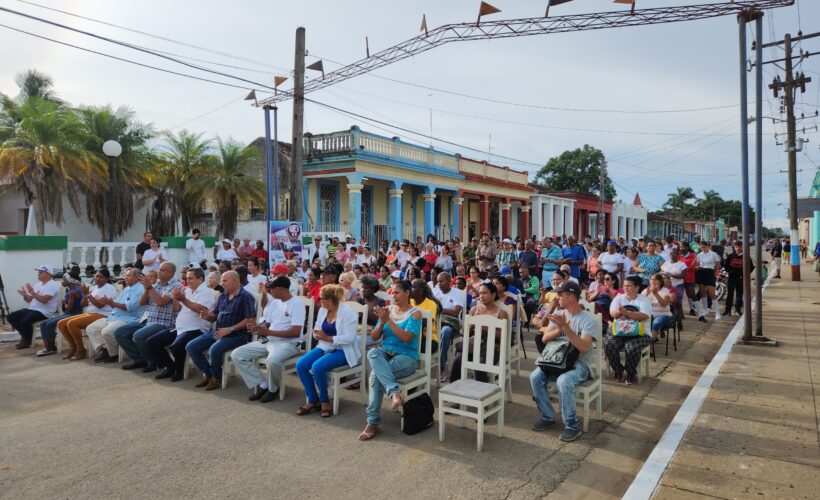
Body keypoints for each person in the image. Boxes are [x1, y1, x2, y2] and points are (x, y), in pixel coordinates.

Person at [530, 280, 595, 442]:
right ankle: (548, 416)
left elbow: (584, 347)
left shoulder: (588, 320)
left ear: (572, 297)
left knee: (564, 380)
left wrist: (566, 328)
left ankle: (572, 425)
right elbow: (544, 338)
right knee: (535, 376)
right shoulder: (559, 315)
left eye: (561, 294)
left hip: (580, 364)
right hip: (557, 360)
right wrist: (559, 328)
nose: (557, 297)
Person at [358, 280, 423, 441]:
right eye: (392, 292)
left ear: (407, 292)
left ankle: (372, 422)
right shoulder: (388, 310)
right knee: (372, 352)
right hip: (385, 352)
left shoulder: (415, 313)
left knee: (375, 376)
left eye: (397, 292)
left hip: (407, 357)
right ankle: (394, 392)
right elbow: (374, 337)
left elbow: (407, 338)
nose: (393, 296)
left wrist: (388, 321)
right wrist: (381, 321)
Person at [231, 276, 306, 402]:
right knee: (237, 354)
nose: (270, 291)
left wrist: (268, 331)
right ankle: (262, 384)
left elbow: (295, 332)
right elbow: (267, 324)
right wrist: (257, 328)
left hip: (288, 343)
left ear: (282, 289)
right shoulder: (275, 303)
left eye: (272, 289)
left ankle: (273, 389)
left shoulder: (297, 304)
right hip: (269, 340)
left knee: (272, 361)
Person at [295, 284, 360, 418]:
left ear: (329, 300)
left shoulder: (347, 312)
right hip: (325, 345)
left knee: (317, 367)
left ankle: (324, 400)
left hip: (343, 349)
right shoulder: (323, 310)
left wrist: (329, 338)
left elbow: (350, 337)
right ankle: (312, 399)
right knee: (300, 365)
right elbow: (318, 328)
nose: (319, 301)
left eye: (321, 298)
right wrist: (316, 334)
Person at [186, 270, 256, 391]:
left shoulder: (246, 296)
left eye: (225, 280)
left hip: (237, 335)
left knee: (214, 350)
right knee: (191, 346)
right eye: (222, 280)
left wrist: (230, 329)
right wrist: (208, 316)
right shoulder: (223, 296)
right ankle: (210, 374)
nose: (222, 283)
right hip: (218, 332)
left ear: (236, 281)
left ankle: (216, 378)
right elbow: (215, 315)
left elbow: (250, 320)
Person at [144, 267, 216, 381]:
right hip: (180, 328)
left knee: (176, 346)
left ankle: (179, 371)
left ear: (200, 279)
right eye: (187, 278)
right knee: (152, 342)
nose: (188, 281)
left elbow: (201, 309)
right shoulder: (186, 290)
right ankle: (170, 367)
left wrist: (183, 299)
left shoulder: (206, 292)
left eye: (191, 278)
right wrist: (176, 300)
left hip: (196, 329)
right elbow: (175, 310)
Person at [114, 261, 184, 371]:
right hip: (148, 320)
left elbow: (160, 302)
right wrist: (147, 289)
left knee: (138, 335)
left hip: (163, 323)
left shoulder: (176, 286)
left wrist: (150, 287)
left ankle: (153, 362)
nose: (158, 272)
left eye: (162, 270)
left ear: (170, 273)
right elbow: (142, 302)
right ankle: (140, 359)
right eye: (159, 269)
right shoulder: (156, 285)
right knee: (120, 332)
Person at [449, 282, 508, 383]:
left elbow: (503, 337)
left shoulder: (501, 313)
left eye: (485, 293)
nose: (481, 296)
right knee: (457, 361)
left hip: (491, 348)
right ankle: (455, 390)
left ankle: (482, 394)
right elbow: (466, 333)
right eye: (480, 293)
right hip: (473, 344)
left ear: (493, 294)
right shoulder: (474, 310)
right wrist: (472, 324)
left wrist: (486, 327)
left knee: (480, 366)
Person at [86, 268, 146, 363]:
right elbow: (116, 304)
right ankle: (105, 350)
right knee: (91, 328)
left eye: (128, 275)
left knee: (106, 332)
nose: (125, 277)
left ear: (137, 278)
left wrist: (111, 303)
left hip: (128, 319)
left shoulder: (140, 289)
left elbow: (130, 307)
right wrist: (109, 303)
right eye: (125, 275)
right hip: (114, 316)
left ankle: (113, 354)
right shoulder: (127, 288)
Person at [57, 270, 118, 360]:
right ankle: (74, 348)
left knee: (72, 323)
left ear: (107, 279)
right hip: (90, 313)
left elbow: (100, 305)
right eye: (96, 276)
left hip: (102, 314)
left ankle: (81, 350)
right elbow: (83, 304)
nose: (98, 279)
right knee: (61, 323)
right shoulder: (94, 288)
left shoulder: (109, 288)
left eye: (101, 277)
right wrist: (86, 295)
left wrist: (88, 294)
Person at [605, 276, 652, 385]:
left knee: (631, 347)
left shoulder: (644, 300)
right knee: (608, 343)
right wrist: (617, 312)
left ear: (637, 287)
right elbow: (612, 314)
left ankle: (631, 373)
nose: (626, 288)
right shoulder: (619, 298)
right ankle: (618, 370)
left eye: (629, 286)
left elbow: (644, 316)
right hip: (620, 330)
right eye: (624, 285)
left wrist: (627, 313)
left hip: (640, 333)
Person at [10, 265, 62, 349]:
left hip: (45, 311)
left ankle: (26, 340)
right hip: (32, 309)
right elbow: (29, 300)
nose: (38, 274)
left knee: (24, 321)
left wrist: (31, 291)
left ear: (49, 274)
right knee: (11, 317)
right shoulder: (38, 284)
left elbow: (44, 300)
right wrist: (25, 295)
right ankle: (25, 336)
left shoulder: (53, 285)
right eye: (38, 272)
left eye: (41, 272)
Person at [34, 272, 83, 356]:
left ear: (70, 280)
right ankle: (49, 347)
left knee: (49, 324)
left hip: (74, 314)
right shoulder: (73, 289)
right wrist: (66, 302)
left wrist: (65, 303)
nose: (62, 282)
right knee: (43, 324)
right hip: (70, 313)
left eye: (64, 280)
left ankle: (50, 348)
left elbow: (68, 310)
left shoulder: (73, 292)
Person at [723, 241, 753, 317]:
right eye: (737, 247)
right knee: (730, 294)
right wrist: (730, 271)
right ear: (734, 247)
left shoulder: (746, 256)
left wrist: (745, 274)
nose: (738, 248)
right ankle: (728, 310)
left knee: (739, 295)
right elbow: (726, 266)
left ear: (742, 247)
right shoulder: (730, 256)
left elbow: (751, 267)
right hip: (731, 278)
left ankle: (737, 310)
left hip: (741, 279)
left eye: (740, 246)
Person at [695, 241, 722, 322]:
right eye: (701, 247)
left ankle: (717, 312)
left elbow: (718, 265)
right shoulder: (699, 255)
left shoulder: (713, 254)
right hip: (701, 273)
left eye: (704, 247)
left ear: (708, 246)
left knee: (712, 293)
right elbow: (697, 264)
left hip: (710, 272)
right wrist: (698, 267)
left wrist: (714, 273)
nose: (703, 248)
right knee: (702, 292)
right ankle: (705, 309)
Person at [661, 247, 688, 330]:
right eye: (671, 254)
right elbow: (661, 273)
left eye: (674, 253)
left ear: (678, 255)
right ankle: (665, 324)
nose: (672, 255)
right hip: (666, 287)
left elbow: (683, 275)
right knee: (666, 304)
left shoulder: (682, 264)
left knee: (678, 304)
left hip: (678, 286)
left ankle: (679, 323)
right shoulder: (666, 264)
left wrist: (671, 275)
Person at [641, 273, 672, 342]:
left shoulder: (665, 290)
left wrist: (655, 293)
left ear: (660, 281)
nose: (652, 281)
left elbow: (664, 304)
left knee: (656, 323)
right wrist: (646, 294)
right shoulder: (646, 290)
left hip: (663, 314)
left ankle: (649, 342)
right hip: (649, 314)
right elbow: (640, 304)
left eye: (655, 280)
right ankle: (647, 339)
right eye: (651, 279)